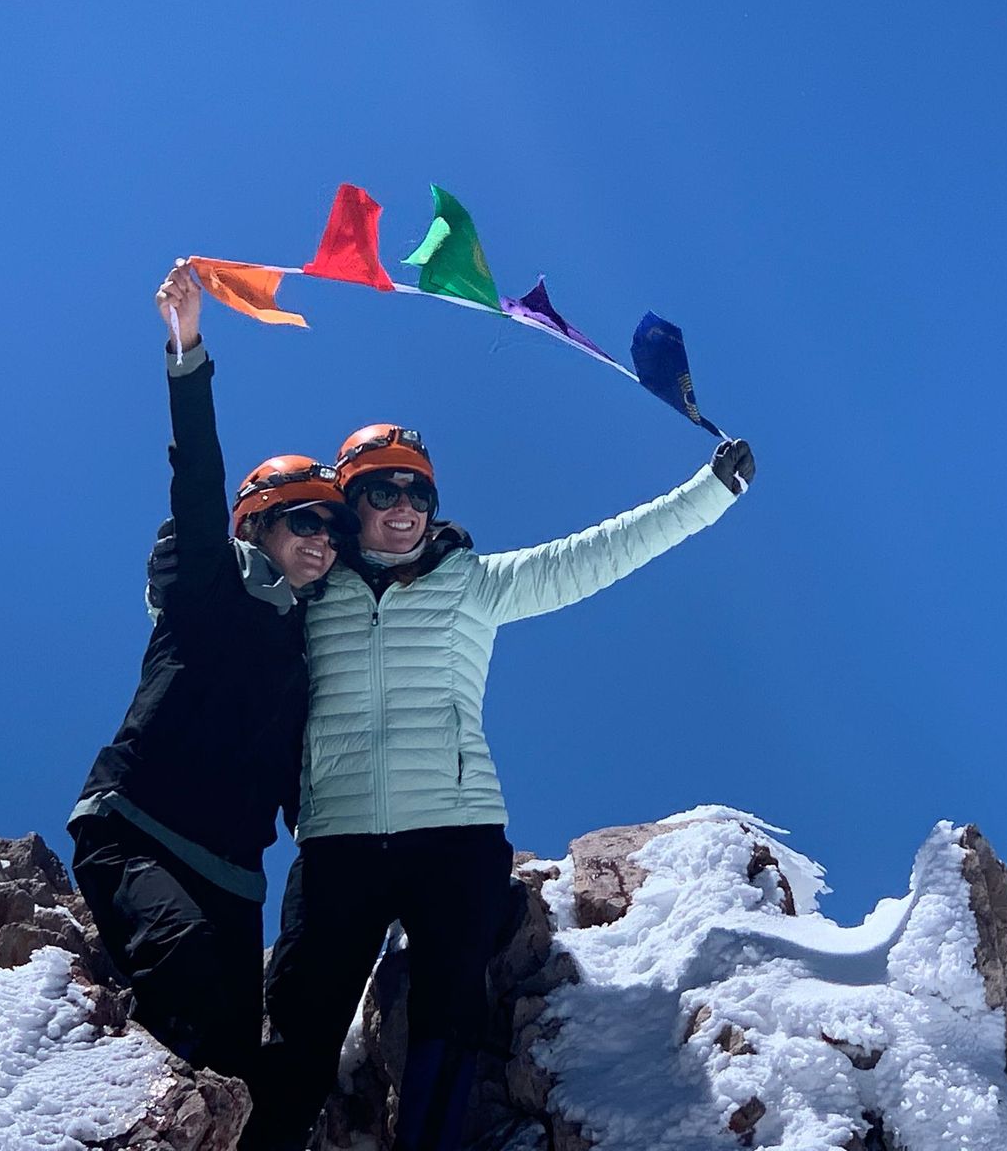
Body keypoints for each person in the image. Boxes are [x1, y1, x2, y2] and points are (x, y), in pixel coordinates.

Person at [258, 423, 755, 1151]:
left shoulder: (474, 583)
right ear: (346, 501)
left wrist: (709, 494)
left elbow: (598, 553)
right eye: (380, 490)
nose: (403, 507)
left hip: (454, 836)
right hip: (338, 840)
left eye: (417, 491)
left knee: (449, 1020)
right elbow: (211, 613)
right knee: (300, 1023)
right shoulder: (308, 588)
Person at [68, 263, 354, 1143]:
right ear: (257, 526)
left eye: (333, 528)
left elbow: (302, 784)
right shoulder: (202, 584)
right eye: (303, 519)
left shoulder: (308, 655)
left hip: (235, 878)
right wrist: (187, 348)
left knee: (242, 1062)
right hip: (135, 831)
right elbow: (196, 479)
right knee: (185, 972)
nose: (322, 539)